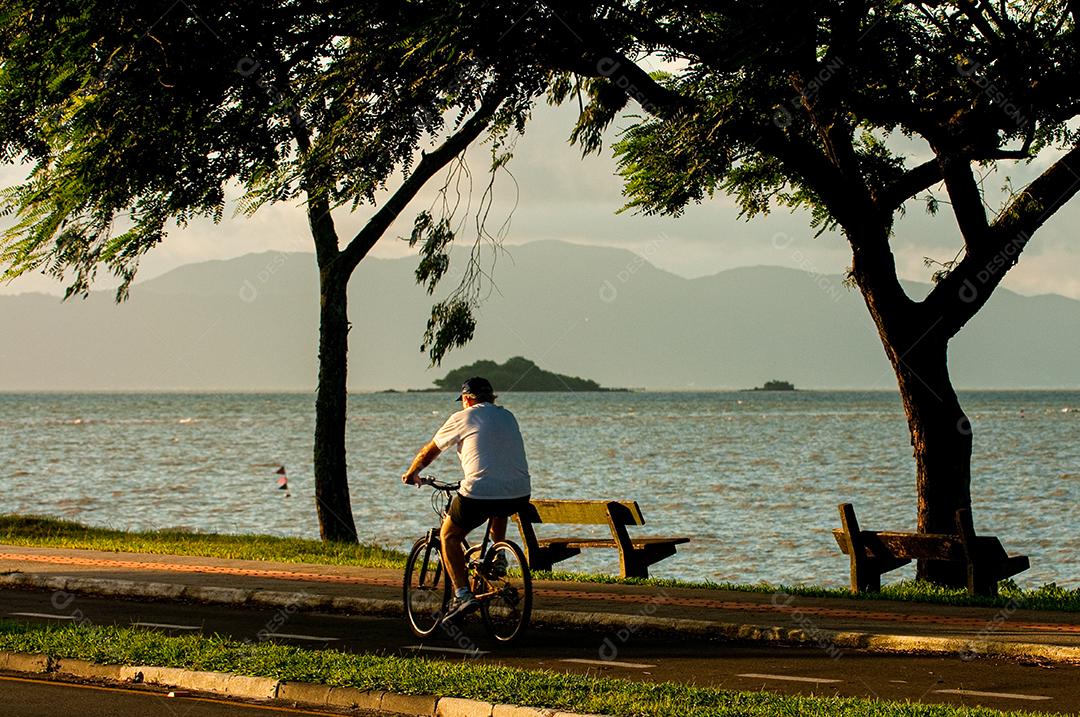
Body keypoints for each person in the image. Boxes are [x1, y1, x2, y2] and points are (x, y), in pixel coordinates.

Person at [402, 376, 531, 623]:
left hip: (480, 492)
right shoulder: (508, 416)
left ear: (467, 398)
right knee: (499, 503)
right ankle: (498, 555)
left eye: (463, 400)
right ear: (491, 398)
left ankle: (462, 595)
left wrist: (412, 473)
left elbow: (430, 450)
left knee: (448, 536)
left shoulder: (463, 416)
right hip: (520, 493)